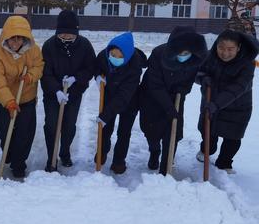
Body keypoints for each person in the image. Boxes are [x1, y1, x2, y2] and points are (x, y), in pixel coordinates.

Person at [139, 26, 207, 176]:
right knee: (151, 131)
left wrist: (183, 90)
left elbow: (188, 81)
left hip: (176, 97)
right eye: (180, 52)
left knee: (172, 132)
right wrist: (169, 108)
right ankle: (154, 152)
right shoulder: (158, 54)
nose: (183, 55)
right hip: (152, 96)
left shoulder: (194, 59)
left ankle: (166, 166)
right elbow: (155, 84)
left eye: (187, 53)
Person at [196, 29, 259, 173]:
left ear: (238, 48)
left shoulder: (247, 63)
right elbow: (199, 72)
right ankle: (206, 150)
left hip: (237, 106)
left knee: (232, 138)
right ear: (216, 46)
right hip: (210, 103)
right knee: (208, 134)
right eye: (221, 48)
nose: (225, 53)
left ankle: (224, 162)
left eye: (230, 49)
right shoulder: (210, 57)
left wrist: (216, 104)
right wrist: (202, 78)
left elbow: (239, 87)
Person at [0, 15, 44, 179]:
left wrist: (31, 76)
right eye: (12, 39)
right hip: (5, 99)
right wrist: (9, 101)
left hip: (26, 97)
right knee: (2, 128)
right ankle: (9, 149)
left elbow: (39, 65)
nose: (16, 43)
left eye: (20, 39)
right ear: (6, 37)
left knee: (24, 134)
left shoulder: (33, 50)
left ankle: (19, 163)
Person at [41, 9, 95, 171]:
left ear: (76, 32)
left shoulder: (84, 45)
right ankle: (52, 157)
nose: (66, 38)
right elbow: (45, 73)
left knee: (69, 125)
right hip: (52, 94)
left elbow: (90, 68)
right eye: (62, 35)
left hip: (74, 92)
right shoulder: (49, 46)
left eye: (70, 35)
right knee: (51, 124)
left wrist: (76, 79)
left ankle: (65, 152)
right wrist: (56, 91)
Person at [94, 32, 147, 174]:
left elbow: (124, 95)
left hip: (130, 100)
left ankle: (119, 160)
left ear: (128, 56)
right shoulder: (103, 56)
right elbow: (97, 67)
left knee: (124, 132)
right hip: (109, 95)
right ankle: (102, 151)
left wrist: (106, 114)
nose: (115, 59)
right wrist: (98, 76)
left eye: (120, 57)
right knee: (105, 128)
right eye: (113, 55)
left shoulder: (134, 65)